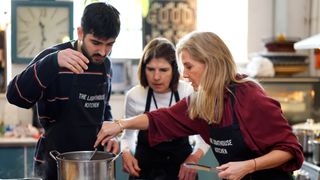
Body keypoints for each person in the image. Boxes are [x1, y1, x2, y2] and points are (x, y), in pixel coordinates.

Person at [95, 31, 304, 180]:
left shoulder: (250, 97)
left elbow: (290, 149)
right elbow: (162, 118)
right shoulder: (201, 100)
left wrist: (249, 166)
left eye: (189, 66)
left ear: (211, 63)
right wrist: (120, 125)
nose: (184, 74)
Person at [6, 2, 121, 180]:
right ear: (80, 32)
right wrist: (52, 63)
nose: (103, 52)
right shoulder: (53, 58)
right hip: (53, 164)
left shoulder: (105, 65)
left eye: (110, 44)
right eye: (96, 43)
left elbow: (103, 107)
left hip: (92, 164)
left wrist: (109, 131)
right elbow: (15, 95)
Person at [121, 37, 210, 180]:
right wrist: (126, 152)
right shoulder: (134, 95)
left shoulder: (188, 92)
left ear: (175, 70)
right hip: (144, 170)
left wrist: (194, 158)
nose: (156, 77)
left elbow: (204, 137)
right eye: (150, 69)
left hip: (181, 171)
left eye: (163, 70)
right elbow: (128, 136)